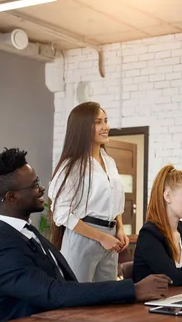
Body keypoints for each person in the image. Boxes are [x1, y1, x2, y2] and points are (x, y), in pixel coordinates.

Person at [0, 148, 171, 322]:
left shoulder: (26, 233)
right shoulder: (0, 249)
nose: (42, 188)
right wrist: (133, 289)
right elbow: (53, 293)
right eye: (34, 184)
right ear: (12, 197)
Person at [48, 101, 129, 282]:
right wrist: (101, 237)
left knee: (108, 299)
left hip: (111, 238)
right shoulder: (71, 166)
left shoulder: (109, 161)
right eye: (98, 122)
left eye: (105, 121)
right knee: (80, 300)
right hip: (84, 236)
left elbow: (115, 202)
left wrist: (120, 228)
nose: (105, 127)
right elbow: (61, 213)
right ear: (83, 127)